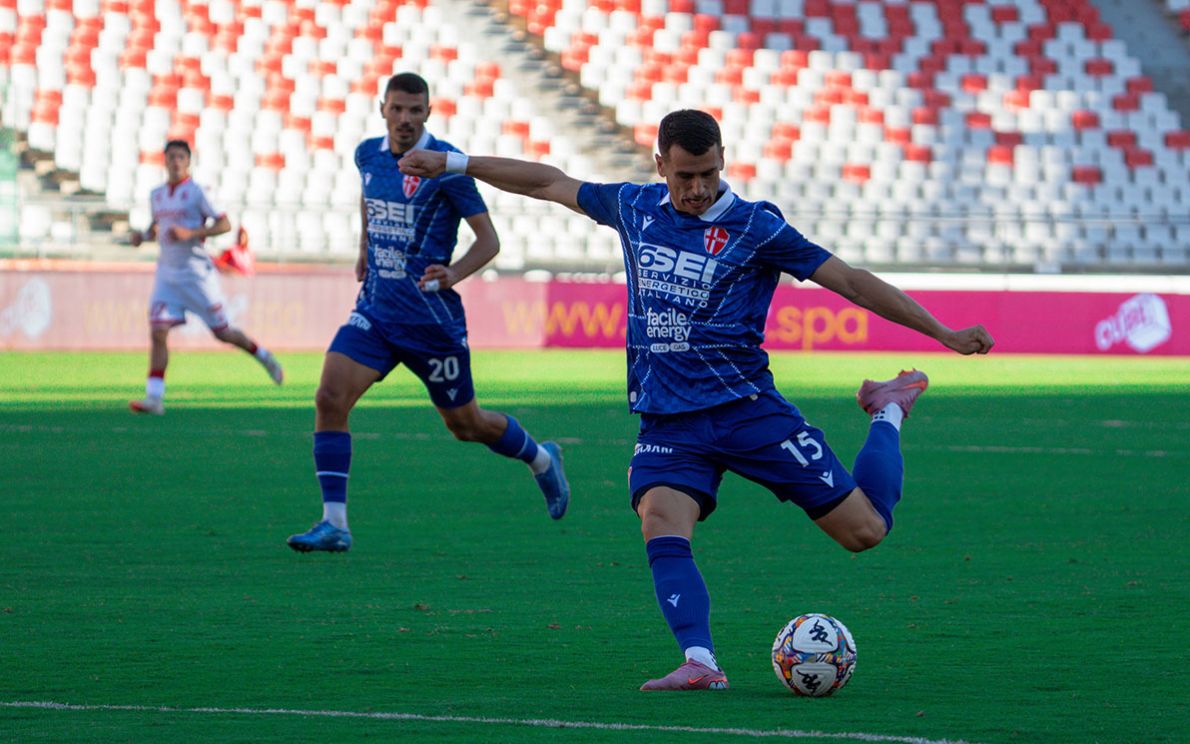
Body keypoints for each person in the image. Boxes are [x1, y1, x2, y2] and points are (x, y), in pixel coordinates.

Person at [398, 109, 994, 690]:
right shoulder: (631, 208)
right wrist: (456, 162)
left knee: (864, 531)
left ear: (723, 161)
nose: (698, 188)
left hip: (747, 410)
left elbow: (851, 281)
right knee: (659, 519)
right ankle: (701, 660)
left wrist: (940, 332)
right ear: (661, 165)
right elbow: (551, 182)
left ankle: (889, 407)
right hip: (669, 419)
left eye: (708, 173)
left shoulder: (758, 226)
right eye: (684, 176)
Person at [286, 72, 570, 554]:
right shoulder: (367, 155)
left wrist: (453, 274)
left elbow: (489, 242)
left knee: (467, 425)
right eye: (397, 109)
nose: (404, 119)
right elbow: (369, 200)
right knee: (330, 397)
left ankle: (542, 459)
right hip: (375, 312)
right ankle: (335, 523)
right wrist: (363, 249)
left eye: (414, 111)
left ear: (427, 113)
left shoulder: (445, 168)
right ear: (383, 109)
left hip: (431, 322)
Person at [128, 140, 283, 415]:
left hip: (197, 275)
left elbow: (224, 223)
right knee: (158, 331)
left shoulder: (199, 193)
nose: (175, 162)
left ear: (188, 162)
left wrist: (193, 233)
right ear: (164, 161)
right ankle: (154, 397)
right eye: (171, 157)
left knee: (224, 333)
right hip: (167, 275)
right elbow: (156, 227)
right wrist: (142, 237)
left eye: (180, 157)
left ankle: (264, 357)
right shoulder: (157, 195)